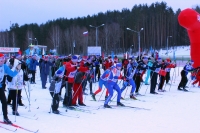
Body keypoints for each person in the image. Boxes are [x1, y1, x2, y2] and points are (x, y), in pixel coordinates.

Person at [0, 53, 20, 124]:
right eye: (0, 59)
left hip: (0, 87)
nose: (1, 61)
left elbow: (12, 74)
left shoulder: (4, 66)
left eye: (3, 59)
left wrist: (17, 69)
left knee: (4, 102)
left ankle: (5, 118)